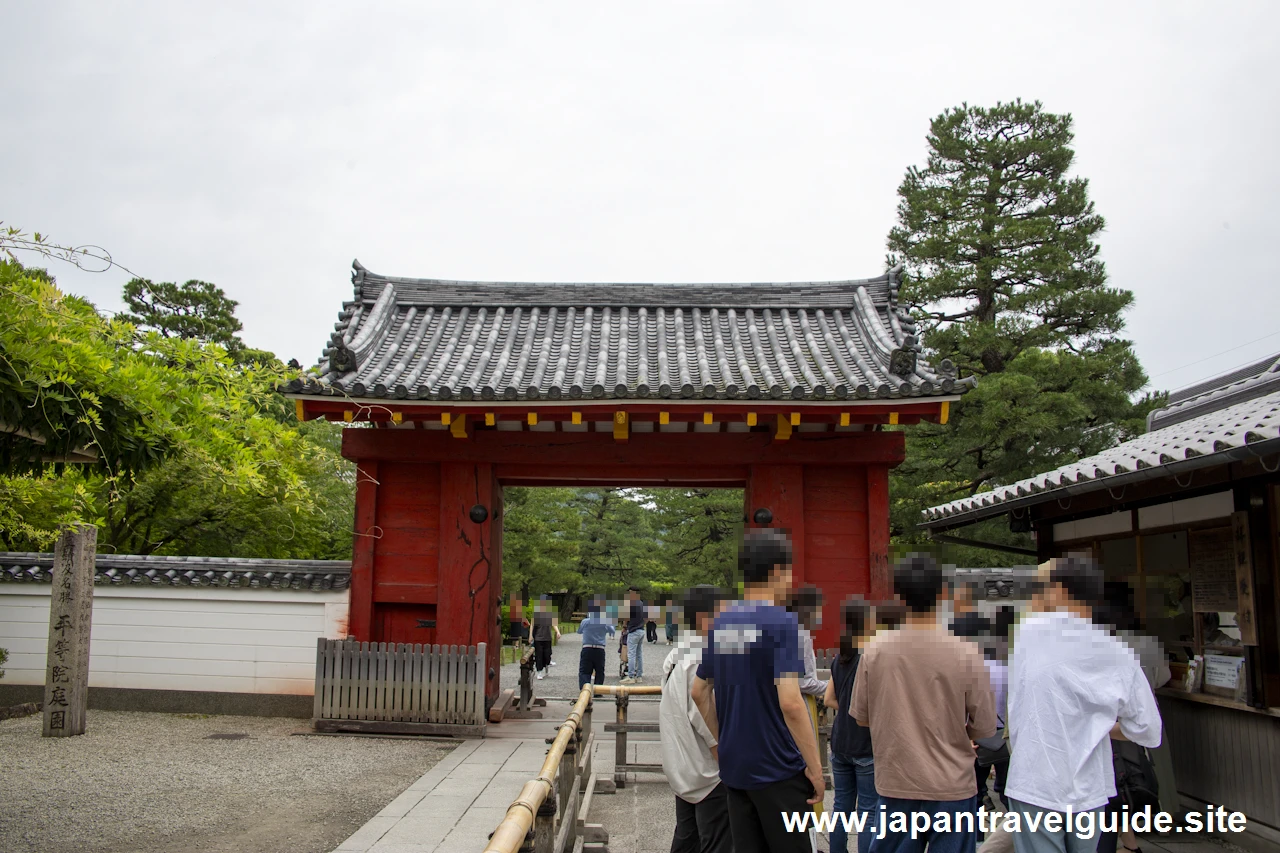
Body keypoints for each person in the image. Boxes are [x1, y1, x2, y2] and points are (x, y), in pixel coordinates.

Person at [1005, 557, 1163, 853]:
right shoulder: (1117, 651)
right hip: (1089, 788)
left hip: (1033, 781)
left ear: (1058, 591)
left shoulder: (1024, 633)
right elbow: (1148, 730)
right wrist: (1099, 726)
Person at [852, 554, 997, 853]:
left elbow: (862, 717)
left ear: (897, 595)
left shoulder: (874, 651)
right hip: (952, 784)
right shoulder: (967, 652)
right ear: (942, 593)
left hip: (896, 781)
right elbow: (984, 728)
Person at [692, 529, 824, 853]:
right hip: (779, 768)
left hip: (736, 769)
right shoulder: (782, 623)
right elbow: (791, 703)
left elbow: (699, 690)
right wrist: (816, 768)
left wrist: (722, 742)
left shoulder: (723, 623)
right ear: (777, 571)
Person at [661, 585, 732, 853]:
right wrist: (724, 759)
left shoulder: (677, 654)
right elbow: (703, 716)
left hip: (682, 764)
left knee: (687, 837)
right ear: (706, 617)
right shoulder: (701, 658)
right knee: (715, 841)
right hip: (708, 771)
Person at [824, 598, 877, 853]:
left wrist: (847, 709)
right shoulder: (870, 658)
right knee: (868, 811)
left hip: (840, 741)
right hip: (865, 743)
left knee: (841, 807)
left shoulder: (840, 658)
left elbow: (828, 699)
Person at [787, 584, 829, 700]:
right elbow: (803, 682)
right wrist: (831, 687)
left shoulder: (790, 628)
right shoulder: (802, 634)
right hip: (799, 699)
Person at [578, 598, 616, 688]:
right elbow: (612, 630)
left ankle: (584, 688)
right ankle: (598, 689)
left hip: (587, 647)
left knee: (585, 670)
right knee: (599, 670)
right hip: (600, 648)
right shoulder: (605, 621)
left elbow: (579, 631)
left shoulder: (586, 621)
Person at [532, 597, 559, 681]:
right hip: (538, 638)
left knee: (547, 654)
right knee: (539, 656)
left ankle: (547, 664)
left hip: (547, 638)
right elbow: (532, 626)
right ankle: (539, 672)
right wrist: (530, 637)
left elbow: (554, 624)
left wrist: (557, 632)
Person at [624, 586, 647, 683]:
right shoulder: (641, 603)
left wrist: (625, 627)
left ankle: (631, 676)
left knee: (631, 654)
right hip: (641, 630)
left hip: (633, 630)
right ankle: (639, 675)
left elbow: (626, 617)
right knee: (639, 654)